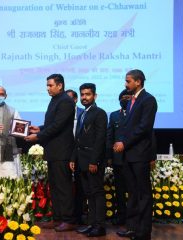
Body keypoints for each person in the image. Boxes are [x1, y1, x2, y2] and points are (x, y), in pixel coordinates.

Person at [25, 73, 76, 232]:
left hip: (62, 151)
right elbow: (51, 123)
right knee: (54, 186)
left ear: (60, 85)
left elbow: (58, 125)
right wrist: (39, 128)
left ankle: (68, 220)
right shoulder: (55, 100)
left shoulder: (66, 101)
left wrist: (38, 136)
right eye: (47, 85)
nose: (47, 88)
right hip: (54, 151)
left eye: (50, 85)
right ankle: (58, 218)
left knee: (63, 187)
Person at [114, 69, 157, 240]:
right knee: (132, 193)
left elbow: (144, 127)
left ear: (138, 82)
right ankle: (132, 227)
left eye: (128, 81)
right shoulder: (131, 100)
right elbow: (127, 126)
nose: (126, 84)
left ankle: (143, 232)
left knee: (143, 194)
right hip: (128, 156)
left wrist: (124, 143)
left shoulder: (148, 100)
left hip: (139, 154)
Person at [70, 83, 107, 237]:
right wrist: (73, 158)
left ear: (95, 96)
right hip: (81, 160)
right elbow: (77, 139)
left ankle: (100, 226)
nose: (84, 97)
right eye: (83, 95)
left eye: (88, 94)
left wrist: (94, 161)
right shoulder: (83, 113)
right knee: (88, 194)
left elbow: (100, 139)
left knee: (97, 193)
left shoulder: (99, 113)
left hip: (92, 161)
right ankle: (91, 224)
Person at [106, 89, 132, 226]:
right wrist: (109, 156)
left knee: (134, 190)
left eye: (128, 97)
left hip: (133, 158)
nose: (125, 99)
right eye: (123, 98)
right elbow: (110, 136)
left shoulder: (136, 113)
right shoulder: (114, 115)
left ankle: (133, 219)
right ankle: (121, 216)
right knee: (120, 190)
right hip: (118, 159)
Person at [66, 89, 86, 225]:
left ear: (75, 100)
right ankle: (68, 215)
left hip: (80, 153)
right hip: (65, 152)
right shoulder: (61, 113)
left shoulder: (83, 113)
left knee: (80, 186)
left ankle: (80, 215)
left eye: (68, 99)